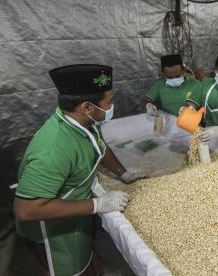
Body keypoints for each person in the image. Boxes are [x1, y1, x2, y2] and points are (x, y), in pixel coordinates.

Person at [13, 64, 144, 275]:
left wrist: (124, 174)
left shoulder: (84, 123)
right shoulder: (55, 148)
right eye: (108, 101)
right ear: (87, 107)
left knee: (89, 260)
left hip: (76, 213)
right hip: (52, 231)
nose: (112, 105)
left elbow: (100, 146)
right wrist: (97, 203)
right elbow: (26, 209)